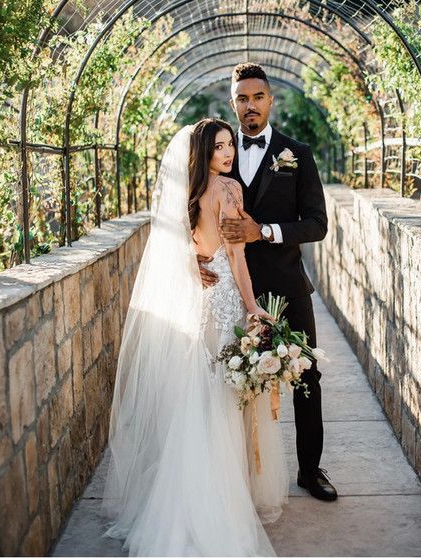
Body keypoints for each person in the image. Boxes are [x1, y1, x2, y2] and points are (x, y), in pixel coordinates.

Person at [101, 119, 289, 556]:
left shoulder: (187, 195)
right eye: (220, 146)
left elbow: (186, 249)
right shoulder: (229, 191)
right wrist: (253, 306)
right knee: (226, 397)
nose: (228, 153)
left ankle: (188, 492)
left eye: (230, 145)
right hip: (223, 299)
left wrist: (195, 263)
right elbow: (238, 261)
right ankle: (223, 497)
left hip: (199, 299)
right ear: (204, 152)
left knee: (200, 394)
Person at [198, 62, 337, 502]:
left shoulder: (298, 154)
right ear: (232, 101)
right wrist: (193, 260)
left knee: (306, 378)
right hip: (230, 290)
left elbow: (317, 224)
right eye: (242, 98)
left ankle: (311, 471)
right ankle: (239, 477)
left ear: (270, 99)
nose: (250, 105)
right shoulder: (214, 156)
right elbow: (186, 215)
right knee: (230, 382)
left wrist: (267, 231)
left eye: (258, 97)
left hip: (286, 286)